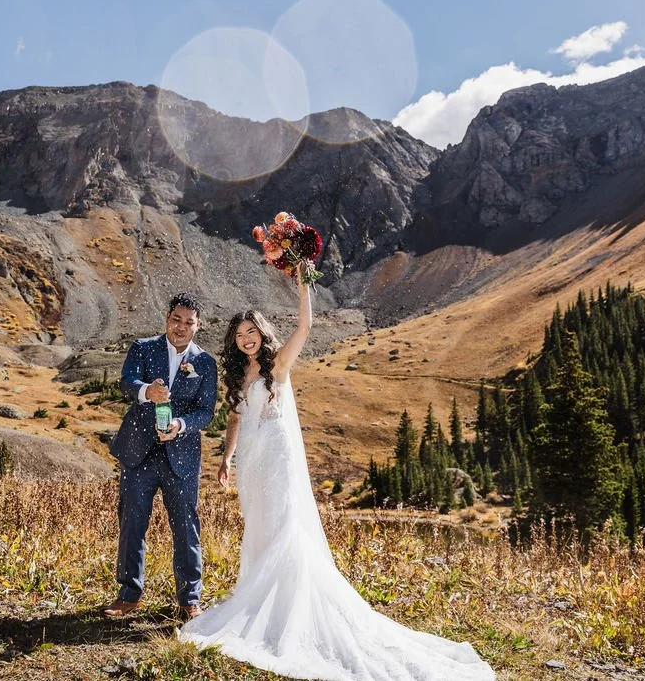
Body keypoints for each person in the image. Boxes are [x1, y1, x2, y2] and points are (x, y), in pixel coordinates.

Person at [179, 263, 495, 680]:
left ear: (262, 332)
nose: (245, 339)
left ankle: (285, 612)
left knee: (282, 528)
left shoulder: (278, 365)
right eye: (239, 336)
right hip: (252, 461)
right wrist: (227, 457)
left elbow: (306, 328)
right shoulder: (240, 374)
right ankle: (259, 600)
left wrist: (303, 285)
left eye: (251, 332)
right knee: (259, 528)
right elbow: (236, 419)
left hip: (277, 456)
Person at [102, 292, 219, 620]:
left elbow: (206, 412)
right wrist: (145, 392)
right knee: (132, 522)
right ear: (167, 318)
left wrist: (180, 424)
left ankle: (189, 599)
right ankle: (128, 594)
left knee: (185, 525)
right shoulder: (143, 347)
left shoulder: (206, 363)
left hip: (180, 456)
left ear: (199, 325)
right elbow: (126, 384)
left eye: (189, 322)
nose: (181, 327)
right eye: (176, 319)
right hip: (139, 452)